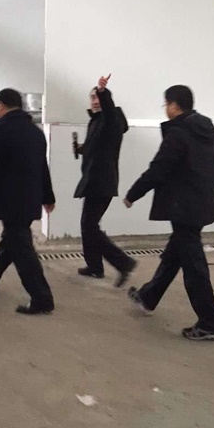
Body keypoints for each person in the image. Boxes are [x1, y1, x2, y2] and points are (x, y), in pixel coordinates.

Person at [124, 85, 214, 340]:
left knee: (194, 267)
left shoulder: (178, 133)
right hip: (201, 205)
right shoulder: (206, 128)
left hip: (184, 208)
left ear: (174, 105)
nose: (165, 109)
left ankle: (210, 323)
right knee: (174, 255)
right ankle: (148, 297)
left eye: (166, 104)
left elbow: (159, 168)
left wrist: (133, 193)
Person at [0, 88, 56, 314]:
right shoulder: (36, 132)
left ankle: (42, 298)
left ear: (0, 105)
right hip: (30, 198)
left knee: (22, 249)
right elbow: (42, 167)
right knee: (11, 241)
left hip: (9, 199)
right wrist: (48, 196)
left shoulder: (2, 128)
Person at [74, 75, 136, 287]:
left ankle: (123, 263)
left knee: (89, 226)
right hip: (93, 180)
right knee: (88, 225)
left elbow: (109, 110)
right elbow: (96, 147)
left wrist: (103, 91)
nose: (94, 101)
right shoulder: (96, 122)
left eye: (97, 98)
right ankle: (95, 267)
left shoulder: (111, 120)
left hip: (102, 181)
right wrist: (81, 148)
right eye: (92, 97)